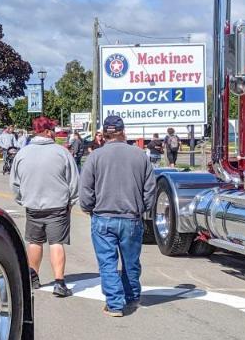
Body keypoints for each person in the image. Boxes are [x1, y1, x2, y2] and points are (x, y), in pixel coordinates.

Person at [79, 115, 156, 317]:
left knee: (107, 263)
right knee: (131, 261)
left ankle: (114, 304)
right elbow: (150, 190)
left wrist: (88, 207)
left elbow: (85, 188)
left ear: (104, 134)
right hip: (131, 217)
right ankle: (132, 297)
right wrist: (143, 209)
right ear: (123, 132)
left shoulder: (95, 157)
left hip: (103, 216)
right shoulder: (140, 156)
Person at [10, 116, 79, 298]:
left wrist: (23, 199)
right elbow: (73, 182)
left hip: (33, 205)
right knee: (57, 243)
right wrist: (71, 202)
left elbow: (15, 184)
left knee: (35, 241)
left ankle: (33, 276)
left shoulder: (22, 154)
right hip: (57, 205)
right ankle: (59, 282)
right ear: (48, 132)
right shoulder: (62, 153)